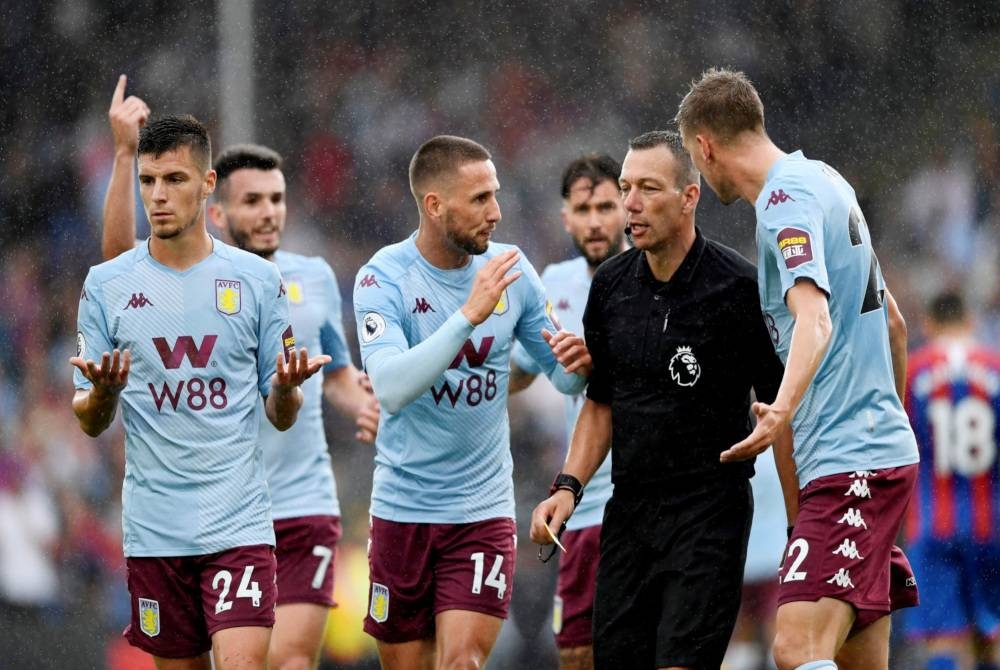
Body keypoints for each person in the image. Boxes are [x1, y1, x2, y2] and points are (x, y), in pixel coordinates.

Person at [101, 75, 380, 670]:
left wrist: (371, 408)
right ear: (219, 210)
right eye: (253, 201)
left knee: (288, 660)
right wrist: (125, 154)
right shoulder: (180, 284)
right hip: (204, 511)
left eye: (278, 199)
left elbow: (336, 375)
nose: (270, 213)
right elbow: (114, 275)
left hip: (301, 500)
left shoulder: (315, 280)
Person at [677, 67, 920, 670]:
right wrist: (887, 426)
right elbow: (893, 324)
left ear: (705, 146)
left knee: (794, 648)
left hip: (850, 463)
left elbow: (814, 320)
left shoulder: (784, 203)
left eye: (692, 158)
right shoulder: (826, 180)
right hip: (864, 455)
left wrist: (781, 409)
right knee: (854, 658)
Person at [71, 113, 329, 670]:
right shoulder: (107, 286)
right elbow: (88, 419)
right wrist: (104, 395)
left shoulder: (258, 282)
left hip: (237, 524)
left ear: (208, 184)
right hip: (155, 532)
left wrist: (284, 391)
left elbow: (281, 414)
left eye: (175, 180)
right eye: (148, 181)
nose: (158, 196)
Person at [529, 130, 786, 669]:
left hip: (708, 514)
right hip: (630, 513)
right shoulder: (611, 287)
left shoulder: (736, 287)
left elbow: (779, 408)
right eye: (626, 187)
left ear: (689, 197)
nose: (631, 204)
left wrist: (797, 520)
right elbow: (601, 403)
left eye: (648, 188)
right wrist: (567, 488)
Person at [352, 135, 591, 670]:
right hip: (402, 511)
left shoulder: (511, 269)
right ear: (435, 206)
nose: (496, 212)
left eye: (496, 195)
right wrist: (468, 317)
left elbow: (565, 379)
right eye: (480, 199)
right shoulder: (382, 277)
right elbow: (390, 387)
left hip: (479, 511)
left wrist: (581, 363)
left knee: (461, 663)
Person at [508, 153, 627, 670]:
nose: (595, 220)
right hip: (582, 502)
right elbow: (515, 371)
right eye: (583, 208)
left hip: (647, 499)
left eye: (606, 206)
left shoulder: (655, 274)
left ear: (627, 207)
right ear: (565, 216)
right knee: (577, 652)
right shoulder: (552, 283)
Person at [903, 290, 1000, 670]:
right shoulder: (995, 366)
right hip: (991, 522)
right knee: (993, 632)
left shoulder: (913, 371)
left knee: (944, 636)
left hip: (933, 523)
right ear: (971, 321)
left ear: (928, 324)